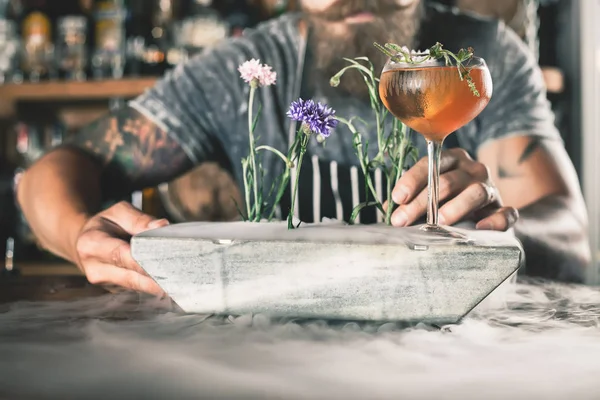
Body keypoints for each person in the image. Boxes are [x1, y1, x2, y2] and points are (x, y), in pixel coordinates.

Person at [16, 0, 590, 296]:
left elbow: (571, 235)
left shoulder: (481, 59)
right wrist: (81, 237)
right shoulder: (243, 74)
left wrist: (492, 229)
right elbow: (53, 172)